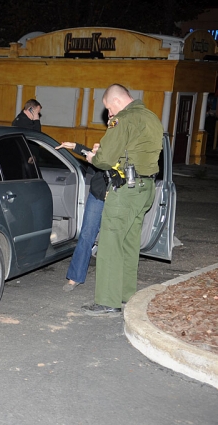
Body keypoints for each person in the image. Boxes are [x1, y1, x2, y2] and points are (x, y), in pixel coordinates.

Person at [81, 84, 163, 316]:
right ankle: (128, 295)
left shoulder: (123, 120)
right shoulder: (151, 117)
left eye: (108, 108)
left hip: (126, 190)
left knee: (110, 242)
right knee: (129, 243)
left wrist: (92, 156)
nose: (109, 113)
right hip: (146, 188)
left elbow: (104, 159)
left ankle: (108, 301)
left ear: (115, 102)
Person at [55, 142, 106, 291]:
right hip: (98, 193)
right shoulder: (111, 136)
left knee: (114, 240)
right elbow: (96, 155)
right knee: (87, 234)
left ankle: (111, 282)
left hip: (117, 194)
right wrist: (77, 147)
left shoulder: (124, 139)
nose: (110, 118)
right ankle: (75, 277)